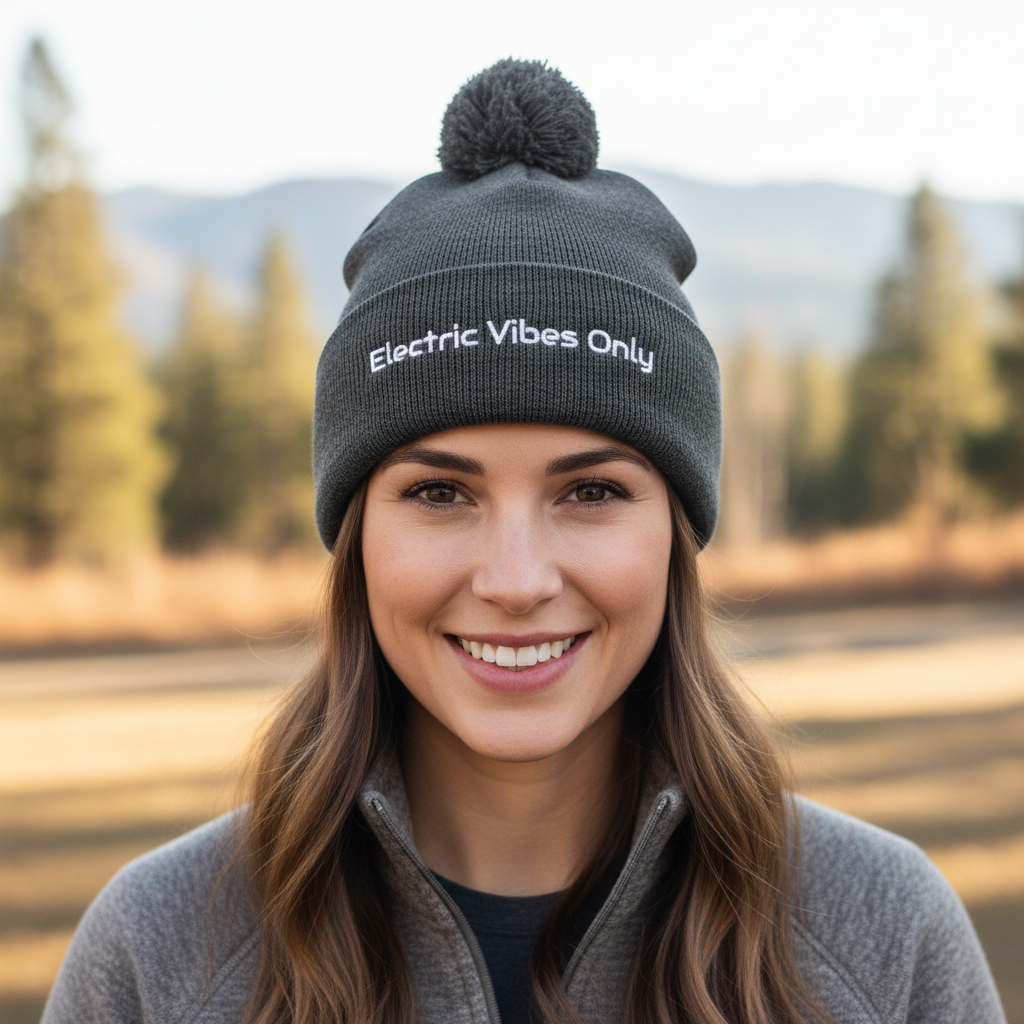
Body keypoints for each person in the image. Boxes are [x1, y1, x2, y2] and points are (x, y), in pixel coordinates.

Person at [42, 60, 1004, 1024]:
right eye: (437, 492)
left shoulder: (885, 939)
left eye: (590, 491)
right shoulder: (156, 952)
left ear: (675, 535)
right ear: (356, 538)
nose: (514, 580)